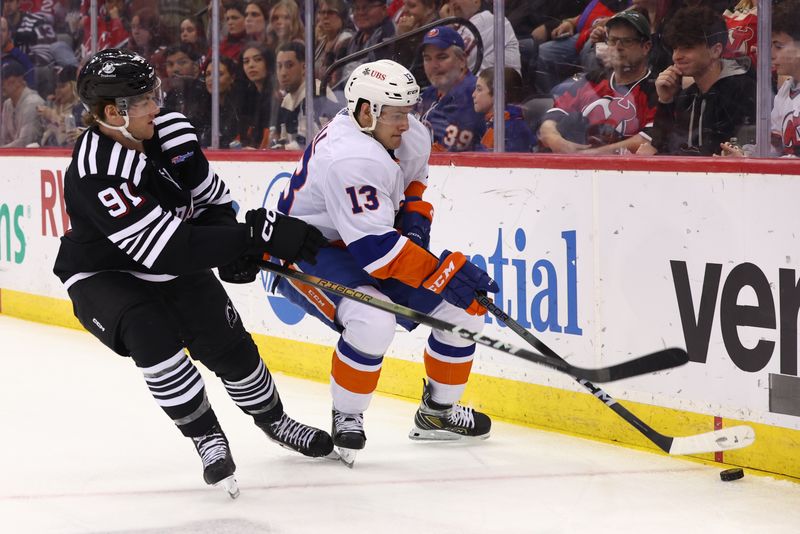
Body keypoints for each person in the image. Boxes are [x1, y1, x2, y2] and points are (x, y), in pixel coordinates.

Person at [52, 48, 333, 498]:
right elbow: (166, 251)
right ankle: (206, 435)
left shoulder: (173, 135)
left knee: (232, 349)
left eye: (154, 95)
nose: (156, 107)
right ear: (112, 112)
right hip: (104, 274)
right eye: (144, 101)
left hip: (173, 256)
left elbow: (212, 203)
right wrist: (251, 238)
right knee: (152, 336)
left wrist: (233, 245)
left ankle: (275, 421)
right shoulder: (95, 172)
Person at [270, 59, 498, 466]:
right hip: (308, 249)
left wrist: (416, 239)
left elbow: (413, 191)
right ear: (365, 112)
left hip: (365, 239)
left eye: (408, 112)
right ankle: (349, 414)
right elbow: (377, 254)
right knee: (374, 320)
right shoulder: (349, 157)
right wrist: (441, 272)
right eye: (395, 115)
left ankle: (438, 414)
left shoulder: (408, 136)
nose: (405, 125)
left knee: (463, 313)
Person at [538, 10, 658, 155]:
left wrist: (593, 154)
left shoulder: (655, 90)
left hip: (626, 173)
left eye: (627, 41)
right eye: (613, 40)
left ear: (646, 47)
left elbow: (648, 139)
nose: (618, 47)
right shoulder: (593, 80)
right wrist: (556, 141)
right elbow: (552, 117)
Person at [647, 5, 756, 156]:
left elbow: (717, 151)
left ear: (716, 50)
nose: (676, 56)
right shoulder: (687, 95)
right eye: (675, 48)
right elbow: (660, 146)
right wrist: (665, 100)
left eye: (687, 48)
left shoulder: (742, 90)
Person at [721, 0, 800, 158]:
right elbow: (774, 147)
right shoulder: (786, 90)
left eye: (778, 46)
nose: (770, 53)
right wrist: (746, 156)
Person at [418, 26, 485, 151]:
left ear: (462, 60)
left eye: (442, 57)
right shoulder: (430, 93)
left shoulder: (474, 94)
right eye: (427, 59)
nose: (434, 65)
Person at [272, 41, 338, 149]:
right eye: (279, 66)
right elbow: (285, 140)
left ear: (304, 68)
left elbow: (307, 143)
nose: (283, 73)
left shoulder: (315, 93)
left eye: (289, 66)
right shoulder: (287, 100)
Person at [446, 0, 521, 75]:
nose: (453, 3)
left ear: (476, 1)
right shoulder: (462, 27)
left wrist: (449, 26)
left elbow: (453, 64)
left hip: (499, 84)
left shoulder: (488, 20)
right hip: (477, 83)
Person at [472, 67, 535, 152]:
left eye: (479, 89)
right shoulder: (492, 123)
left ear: (498, 94)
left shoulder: (515, 129)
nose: (473, 95)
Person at [337, 0, 396, 89]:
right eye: (356, 8)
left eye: (366, 7)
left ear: (384, 9)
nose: (361, 13)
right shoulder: (354, 39)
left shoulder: (390, 37)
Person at [197, 55, 244, 147]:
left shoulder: (241, 107)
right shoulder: (201, 108)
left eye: (219, 74)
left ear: (232, 78)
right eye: (208, 74)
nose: (211, 79)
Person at [239, 42, 279, 148]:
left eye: (258, 60)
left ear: (268, 62)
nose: (251, 65)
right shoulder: (249, 97)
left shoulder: (277, 94)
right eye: (246, 62)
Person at [393, 0, 439, 88]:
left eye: (412, 6)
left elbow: (413, 73)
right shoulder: (417, 28)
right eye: (404, 5)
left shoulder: (435, 33)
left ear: (430, 8)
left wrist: (404, 38)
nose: (404, 10)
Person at [1, 58, 44, 147]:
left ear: (19, 81)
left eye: (7, 81)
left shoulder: (32, 103)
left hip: (34, 157)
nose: (2, 85)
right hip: (10, 156)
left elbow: (25, 142)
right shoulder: (7, 104)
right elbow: (3, 139)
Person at [38, 64, 83, 147]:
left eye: (62, 87)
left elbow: (69, 142)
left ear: (74, 86)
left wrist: (53, 116)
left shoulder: (81, 109)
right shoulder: (54, 105)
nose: (58, 91)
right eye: (56, 87)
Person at [314, 0, 354, 88]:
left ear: (342, 16)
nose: (325, 16)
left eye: (331, 12)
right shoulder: (323, 41)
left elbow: (337, 81)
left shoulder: (345, 39)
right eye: (322, 12)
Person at [162, 44, 207, 120]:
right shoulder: (169, 97)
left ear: (195, 67)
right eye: (170, 64)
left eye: (182, 63)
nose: (175, 69)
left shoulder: (206, 94)